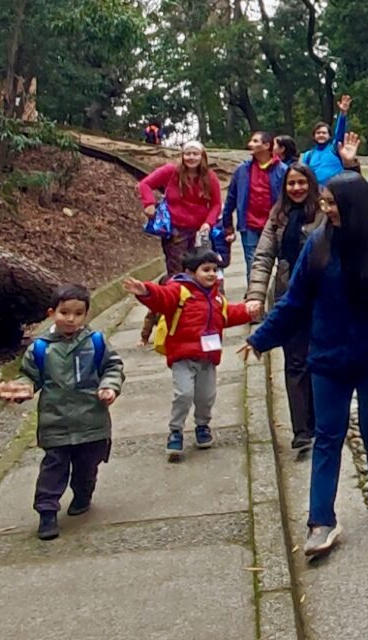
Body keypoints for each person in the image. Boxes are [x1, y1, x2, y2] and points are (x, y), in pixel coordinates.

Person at [240, 173, 368, 560]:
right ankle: (320, 520)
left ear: (353, 204)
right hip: (328, 359)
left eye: (332, 203)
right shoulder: (318, 242)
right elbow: (295, 301)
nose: (325, 209)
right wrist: (261, 337)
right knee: (328, 437)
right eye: (324, 202)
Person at [0, 285, 124, 540]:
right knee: (53, 468)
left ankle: (83, 494)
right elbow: (30, 376)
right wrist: (22, 389)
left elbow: (112, 367)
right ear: (52, 313)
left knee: (87, 466)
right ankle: (46, 512)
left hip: (91, 421)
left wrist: (109, 386)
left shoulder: (95, 342)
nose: (70, 319)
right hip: (56, 422)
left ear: (85, 315)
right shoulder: (40, 348)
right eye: (64, 312)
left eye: (77, 313)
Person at [123, 250, 262, 462]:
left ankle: (202, 425)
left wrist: (247, 311)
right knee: (184, 394)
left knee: (206, 396)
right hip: (182, 356)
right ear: (190, 271)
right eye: (206, 270)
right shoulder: (179, 291)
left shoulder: (216, 298)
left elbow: (228, 315)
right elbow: (161, 298)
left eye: (215, 270)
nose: (211, 274)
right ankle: (176, 431)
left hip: (208, 358)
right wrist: (145, 291)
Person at [248, 164, 325, 457]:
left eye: (301, 183)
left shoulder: (323, 211)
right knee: (294, 362)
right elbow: (264, 254)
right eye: (291, 183)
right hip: (287, 296)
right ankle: (301, 430)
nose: (296, 188)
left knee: (317, 359)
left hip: (320, 297)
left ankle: (319, 420)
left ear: (310, 184)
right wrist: (256, 294)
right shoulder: (277, 216)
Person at [136, 140, 222, 340]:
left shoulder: (210, 177)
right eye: (187, 154)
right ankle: (172, 319)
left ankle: (201, 316)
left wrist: (208, 223)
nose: (191, 158)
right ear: (182, 156)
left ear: (202, 156)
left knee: (203, 272)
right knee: (177, 275)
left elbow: (216, 204)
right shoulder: (170, 172)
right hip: (175, 232)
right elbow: (145, 184)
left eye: (195, 154)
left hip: (200, 231)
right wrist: (148, 204)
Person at [222, 131, 289, 289]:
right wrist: (227, 224)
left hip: (275, 226)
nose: (250, 144)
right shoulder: (242, 171)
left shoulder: (282, 170)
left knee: (283, 266)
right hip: (249, 226)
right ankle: (255, 306)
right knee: (253, 268)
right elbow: (231, 197)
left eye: (255, 141)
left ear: (266, 146)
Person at [301, 95, 354, 185]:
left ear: (329, 136)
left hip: (336, 192)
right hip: (317, 194)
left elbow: (340, 133)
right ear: (314, 136)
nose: (321, 135)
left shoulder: (335, 149)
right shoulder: (308, 155)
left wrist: (343, 114)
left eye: (324, 133)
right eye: (318, 133)